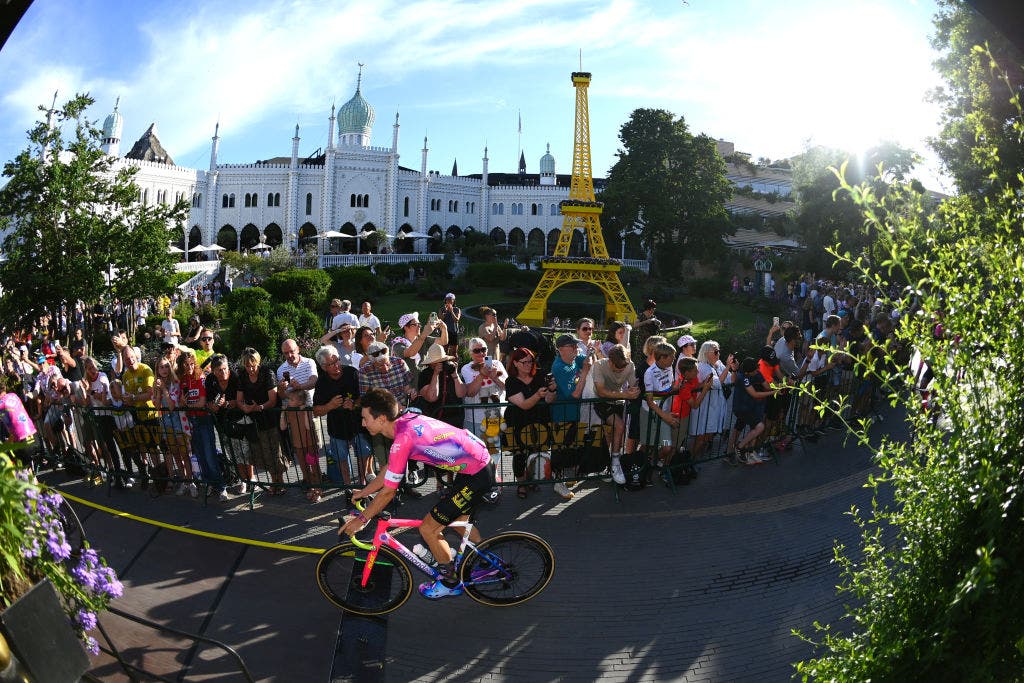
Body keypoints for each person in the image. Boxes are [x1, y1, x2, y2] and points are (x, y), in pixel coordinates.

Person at [340, 387, 496, 600]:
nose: (363, 423)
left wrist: (362, 518)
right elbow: (389, 468)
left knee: (428, 529)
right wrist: (364, 492)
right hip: (475, 464)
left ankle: (450, 582)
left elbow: (388, 493)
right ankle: (488, 561)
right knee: (458, 522)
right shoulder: (404, 420)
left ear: (383, 418)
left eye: (365, 418)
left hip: (477, 473)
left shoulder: (403, 439)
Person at [313, 345, 372, 486]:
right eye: (331, 364)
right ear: (323, 367)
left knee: (363, 454)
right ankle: (347, 487)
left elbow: (366, 395)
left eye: (337, 360)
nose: (336, 365)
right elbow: (316, 410)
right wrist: (329, 406)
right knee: (341, 458)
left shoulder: (352, 372)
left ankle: (361, 483)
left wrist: (354, 404)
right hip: (337, 427)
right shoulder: (321, 382)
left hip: (358, 424)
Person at [584, 344, 639, 485]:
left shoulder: (629, 365)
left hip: (618, 401)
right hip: (601, 401)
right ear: (610, 361)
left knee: (610, 434)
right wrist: (625, 394)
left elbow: (633, 385)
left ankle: (603, 466)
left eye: (622, 368)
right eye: (617, 368)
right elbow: (601, 392)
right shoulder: (599, 365)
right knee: (619, 426)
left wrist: (634, 391)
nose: (620, 371)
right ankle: (615, 462)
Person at [236, 347, 287, 495]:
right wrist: (244, 407)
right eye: (247, 366)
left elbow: (273, 399)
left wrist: (260, 407)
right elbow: (239, 399)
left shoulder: (267, 373)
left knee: (275, 450)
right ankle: (273, 482)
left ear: (258, 362)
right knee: (264, 451)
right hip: (255, 419)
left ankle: (281, 482)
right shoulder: (242, 375)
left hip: (270, 417)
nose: (251, 369)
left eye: (253, 365)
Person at [277, 339, 321, 502]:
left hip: (309, 413)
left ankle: (317, 482)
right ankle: (308, 481)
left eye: (291, 351)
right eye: (285, 353)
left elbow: (314, 380)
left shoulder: (309, 362)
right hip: (292, 417)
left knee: (313, 450)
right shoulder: (281, 369)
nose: (289, 355)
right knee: (300, 451)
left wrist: (300, 386)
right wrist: (282, 390)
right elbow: (282, 396)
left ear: (298, 349)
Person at [549, 334, 592, 499]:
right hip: (562, 415)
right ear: (560, 350)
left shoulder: (574, 359)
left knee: (572, 447)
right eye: (571, 346)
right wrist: (584, 373)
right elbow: (574, 394)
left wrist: (590, 352)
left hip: (575, 414)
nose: (575, 348)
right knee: (561, 449)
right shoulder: (559, 367)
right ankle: (557, 483)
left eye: (575, 345)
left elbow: (588, 361)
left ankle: (565, 478)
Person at [460, 337, 507, 438]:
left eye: (483, 349)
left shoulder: (497, 364)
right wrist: (481, 375)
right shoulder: (467, 368)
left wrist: (495, 378)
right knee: (475, 451)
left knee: (495, 451)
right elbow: (470, 392)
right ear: (470, 353)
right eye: (477, 351)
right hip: (475, 418)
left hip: (495, 416)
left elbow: (507, 387)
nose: (481, 353)